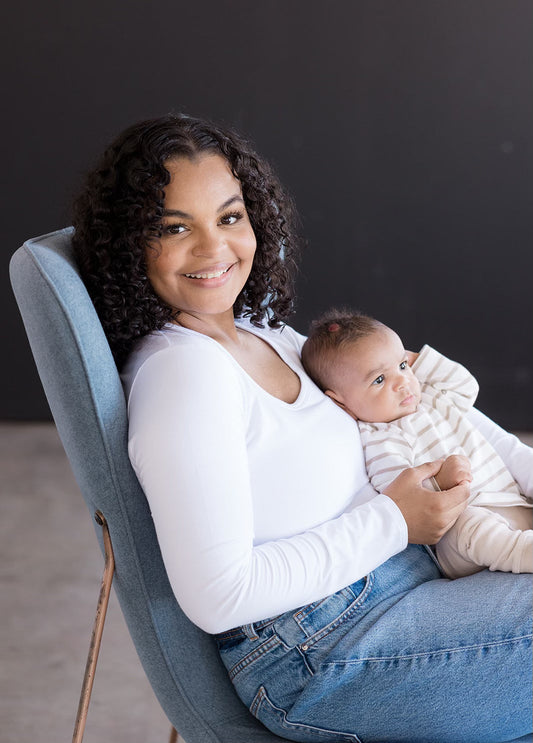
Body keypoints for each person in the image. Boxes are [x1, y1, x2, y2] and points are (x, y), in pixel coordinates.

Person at [72, 113, 532, 743]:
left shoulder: (267, 332)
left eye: (229, 218)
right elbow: (219, 594)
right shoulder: (184, 375)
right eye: (174, 228)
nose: (214, 250)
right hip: (322, 651)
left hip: (414, 581)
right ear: (130, 245)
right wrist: (395, 521)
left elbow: (426, 410)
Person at [301, 309, 533, 580]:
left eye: (402, 366)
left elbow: (467, 387)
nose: (403, 382)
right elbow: (405, 496)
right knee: (471, 526)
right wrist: (442, 481)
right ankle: (522, 553)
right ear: (340, 401)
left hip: (513, 500)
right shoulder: (379, 438)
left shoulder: (433, 397)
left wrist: (412, 360)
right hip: (464, 537)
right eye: (379, 380)